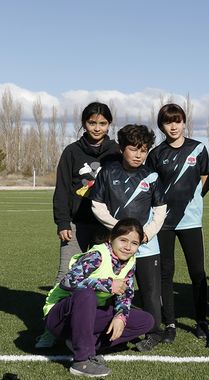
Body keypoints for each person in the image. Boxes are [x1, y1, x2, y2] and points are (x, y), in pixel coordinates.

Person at [38, 102, 121, 349]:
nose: (97, 128)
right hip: (76, 225)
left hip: (106, 228)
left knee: (106, 277)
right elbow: (62, 189)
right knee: (65, 275)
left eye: (102, 123)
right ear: (84, 123)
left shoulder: (116, 152)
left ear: (109, 124)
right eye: (92, 122)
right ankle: (50, 328)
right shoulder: (72, 152)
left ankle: (100, 327)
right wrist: (62, 222)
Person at [42, 218, 154, 377]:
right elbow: (67, 282)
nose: (128, 247)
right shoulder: (97, 255)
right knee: (86, 294)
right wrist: (108, 285)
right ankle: (82, 361)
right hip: (60, 317)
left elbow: (125, 293)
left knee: (146, 321)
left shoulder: (130, 261)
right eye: (123, 240)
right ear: (111, 238)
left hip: (87, 317)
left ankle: (78, 343)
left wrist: (120, 316)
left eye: (134, 243)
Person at [89, 124, 167, 352]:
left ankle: (154, 333)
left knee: (150, 291)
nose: (138, 154)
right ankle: (111, 330)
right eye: (133, 149)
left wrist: (147, 234)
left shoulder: (152, 176)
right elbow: (97, 204)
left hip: (146, 246)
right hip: (115, 246)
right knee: (113, 291)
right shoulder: (107, 172)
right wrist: (121, 231)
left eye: (143, 150)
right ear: (122, 148)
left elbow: (160, 209)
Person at [145, 104, 209, 342]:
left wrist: (189, 202)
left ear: (184, 122)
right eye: (167, 122)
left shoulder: (198, 148)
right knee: (166, 272)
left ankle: (202, 321)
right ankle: (170, 323)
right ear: (161, 126)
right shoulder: (156, 154)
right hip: (163, 223)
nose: (173, 126)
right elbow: (151, 187)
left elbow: (205, 180)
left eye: (177, 121)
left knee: (198, 272)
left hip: (191, 221)